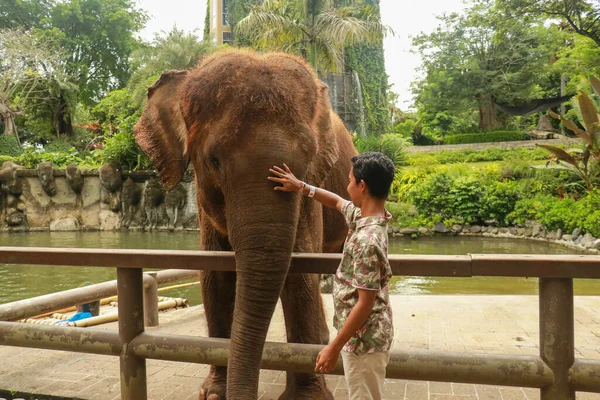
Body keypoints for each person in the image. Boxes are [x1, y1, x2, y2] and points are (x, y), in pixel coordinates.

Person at [268, 152, 395, 400]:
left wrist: (332, 348)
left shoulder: (367, 241)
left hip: (363, 342)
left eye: (349, 180)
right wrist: (300, 186)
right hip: (364, 337)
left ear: (362, 185)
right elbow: (337, 202)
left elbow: (365, 303)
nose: (347, 186)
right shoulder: (366, 218)